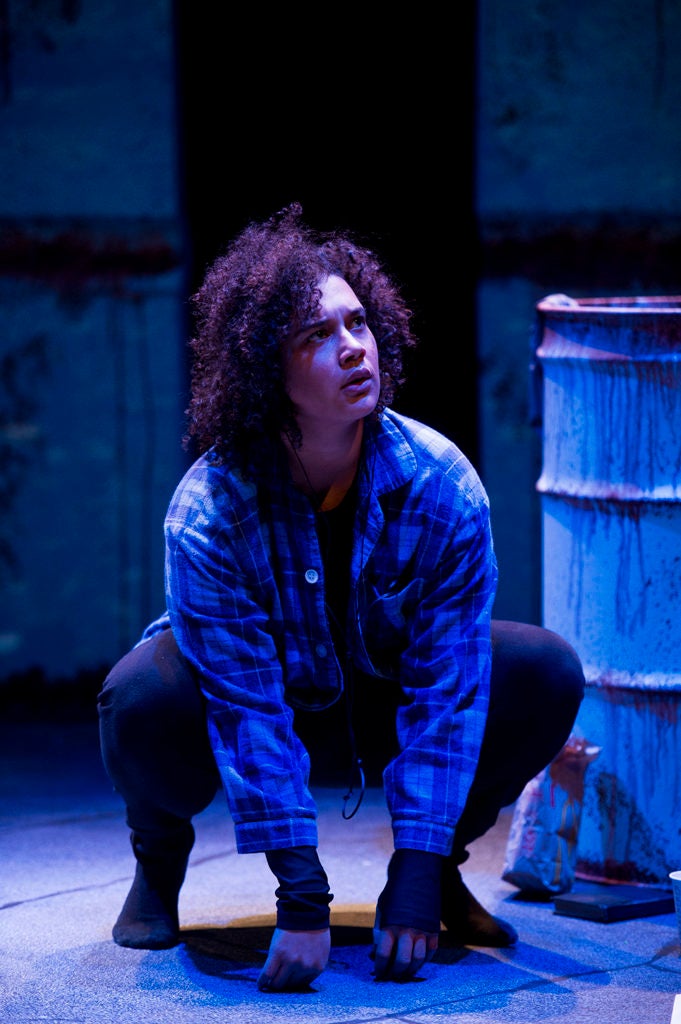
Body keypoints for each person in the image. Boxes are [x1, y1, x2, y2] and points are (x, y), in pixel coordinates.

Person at [97, 202, 584, 992]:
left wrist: (417, 866)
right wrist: (301, 896)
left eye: (357, 323)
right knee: (139, 697)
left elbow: (450, 689)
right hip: (267, 707)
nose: (353, 347)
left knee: (541, 670)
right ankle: (157, 860)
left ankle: (437, 870)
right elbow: (245, 707)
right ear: (265, 367)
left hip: (381, 703)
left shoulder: (440, 482)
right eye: (315, 336)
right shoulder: (211, 509)